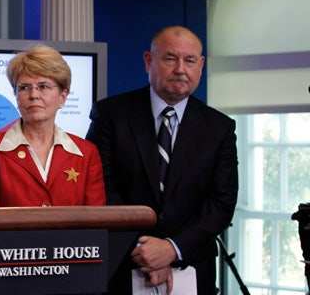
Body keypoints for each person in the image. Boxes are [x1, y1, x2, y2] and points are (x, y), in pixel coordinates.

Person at [86, 26, 238, 294]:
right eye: (170, 58)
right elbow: (99, 187)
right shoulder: (111, 114)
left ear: (200, 65)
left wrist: (171, 249)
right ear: (148, 60)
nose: (180, 69)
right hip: (121, 267)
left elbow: (222, 203)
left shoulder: (220, 128)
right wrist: (144, 250)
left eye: (190, 60)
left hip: (191, 267)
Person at [0, 44, 106, 207]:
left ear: (63, 97)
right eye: (24, 88)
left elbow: (95, 222)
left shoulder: (86, 154)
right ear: (16, 96)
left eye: (43, 87)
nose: (33, 95)